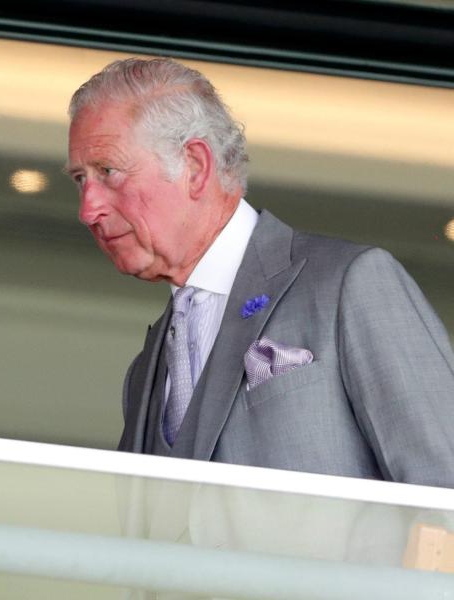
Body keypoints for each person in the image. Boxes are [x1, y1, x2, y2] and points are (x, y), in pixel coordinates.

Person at [67, 57, 454, 486]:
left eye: (108, 171)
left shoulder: (351, 284)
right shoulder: (147, 368)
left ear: (195, 166)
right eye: (80, 180)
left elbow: (443, 489)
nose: (88, 210)